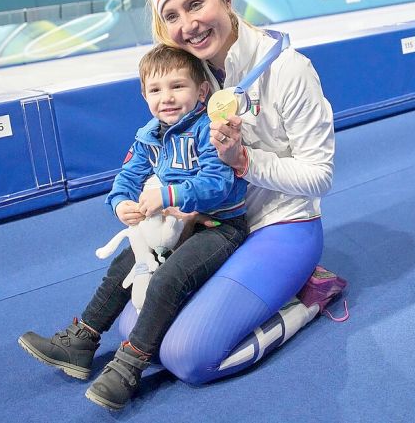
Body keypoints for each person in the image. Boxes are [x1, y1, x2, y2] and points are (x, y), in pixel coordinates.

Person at [20, 0, 336, 408]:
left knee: (189, 359)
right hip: (205, 224)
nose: (188, 25)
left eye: (196, 4)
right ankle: (89, 341)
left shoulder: (288, 70)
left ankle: (309, 296)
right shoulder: (190, 73)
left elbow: (320, 175)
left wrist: (246, 164)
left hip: (281, 224)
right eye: (172, 15)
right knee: (139, 330)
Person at [19, 43, 249, 411]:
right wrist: (121, 204)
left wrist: (170, 196)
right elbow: (124, 181)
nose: (167, 98)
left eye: (178, 87)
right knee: (123, 266)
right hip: (171, 228)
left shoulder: (211, 130)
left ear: (201, 91)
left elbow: (218, 184)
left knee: (167, 278)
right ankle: (82, 340)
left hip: (218, 226)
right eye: (156, 90)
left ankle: (129, 365)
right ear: (144, 96)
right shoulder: (149, 135)